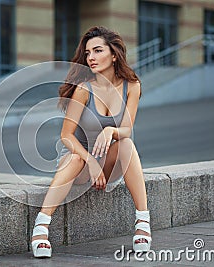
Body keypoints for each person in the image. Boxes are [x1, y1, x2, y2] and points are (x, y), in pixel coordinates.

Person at [31, 26, 151, 258]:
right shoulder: (84, 89)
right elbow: (66, 135)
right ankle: (41, 227)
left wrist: (110, 132)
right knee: (76, 157)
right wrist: (91, 162)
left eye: (97, 51)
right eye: (87, 53)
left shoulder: (132, 86)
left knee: (126, 143)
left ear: (114, 54)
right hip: (81, 166)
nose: (91, 58)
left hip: (110, 166)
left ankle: (143, 222)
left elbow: (126, 128)